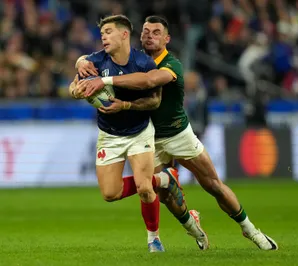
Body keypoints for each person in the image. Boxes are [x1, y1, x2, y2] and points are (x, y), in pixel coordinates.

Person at [78, 15, 278, 250]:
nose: (149, 36)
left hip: (176, 133)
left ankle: (250, 230)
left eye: (155, 32)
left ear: (166, 38)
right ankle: (192, 228)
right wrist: (81, 61)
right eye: (145, 31)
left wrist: (108, 83)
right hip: (147, 135)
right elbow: (97, 59)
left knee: (212, 184)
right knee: (159, 193)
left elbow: (150, 80)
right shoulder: (133, 59)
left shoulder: (171, 64)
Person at [68, 14, 178, 252]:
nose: (103, 37)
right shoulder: (95, 61)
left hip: (139, 131)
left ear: (124, 34)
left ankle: (154, 239)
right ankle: (164, 178)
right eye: (102, 34)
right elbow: (73, 86)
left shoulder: (143, 62)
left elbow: (154, 102)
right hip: (110, 134)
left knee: (145, 189)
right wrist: (77, 90)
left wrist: (124, 103)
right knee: (110, 193)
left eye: (108, 32)